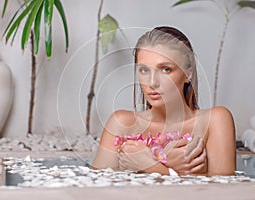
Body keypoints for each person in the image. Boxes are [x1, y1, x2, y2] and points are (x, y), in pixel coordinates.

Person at [92, 26, 236, 176]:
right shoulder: (121, 123)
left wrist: (150, 165)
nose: (152, 82)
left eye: (166, 69)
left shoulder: (215, 120)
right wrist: (171, 166)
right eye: (144, 70)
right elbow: (97, 191)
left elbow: (223, 192)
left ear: (188, 73)